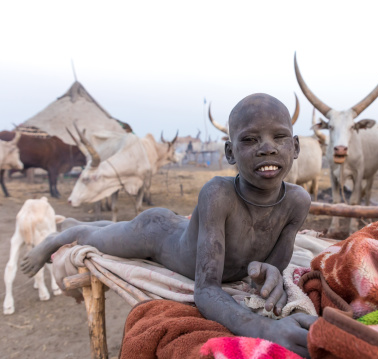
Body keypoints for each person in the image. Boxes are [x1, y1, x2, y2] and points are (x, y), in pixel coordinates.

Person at [21, 93, 316, 357]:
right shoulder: (218, 194)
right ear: (230, 153)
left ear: (295, 146)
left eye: (279, 137)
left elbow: (273, 269)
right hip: (157, 235)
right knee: (98, 238)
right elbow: (206, 290)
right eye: (250, 139)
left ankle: (88, 225)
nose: (267, 148)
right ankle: (66, 233)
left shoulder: (297, 201)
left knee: (117, 229)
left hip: (176, 227)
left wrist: (269, 275)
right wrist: (264, 329)